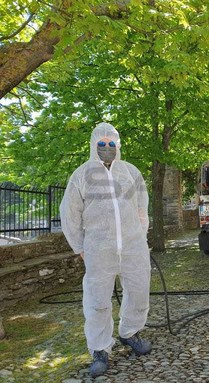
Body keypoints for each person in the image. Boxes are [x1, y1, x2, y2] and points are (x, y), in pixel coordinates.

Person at [60, 122, 152, 378]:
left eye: (112, 143)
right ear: (93, 145)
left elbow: (142, 207)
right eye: (102, 144)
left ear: (118, 145)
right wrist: (79, 246)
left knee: (139, 291)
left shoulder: (131, 173)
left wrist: (140, 237)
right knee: (97, 301)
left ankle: (130, 332)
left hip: (133, 247)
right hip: (99, 250)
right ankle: (100, 349)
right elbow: (70, 214)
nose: (107, 148)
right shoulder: (81, 175)